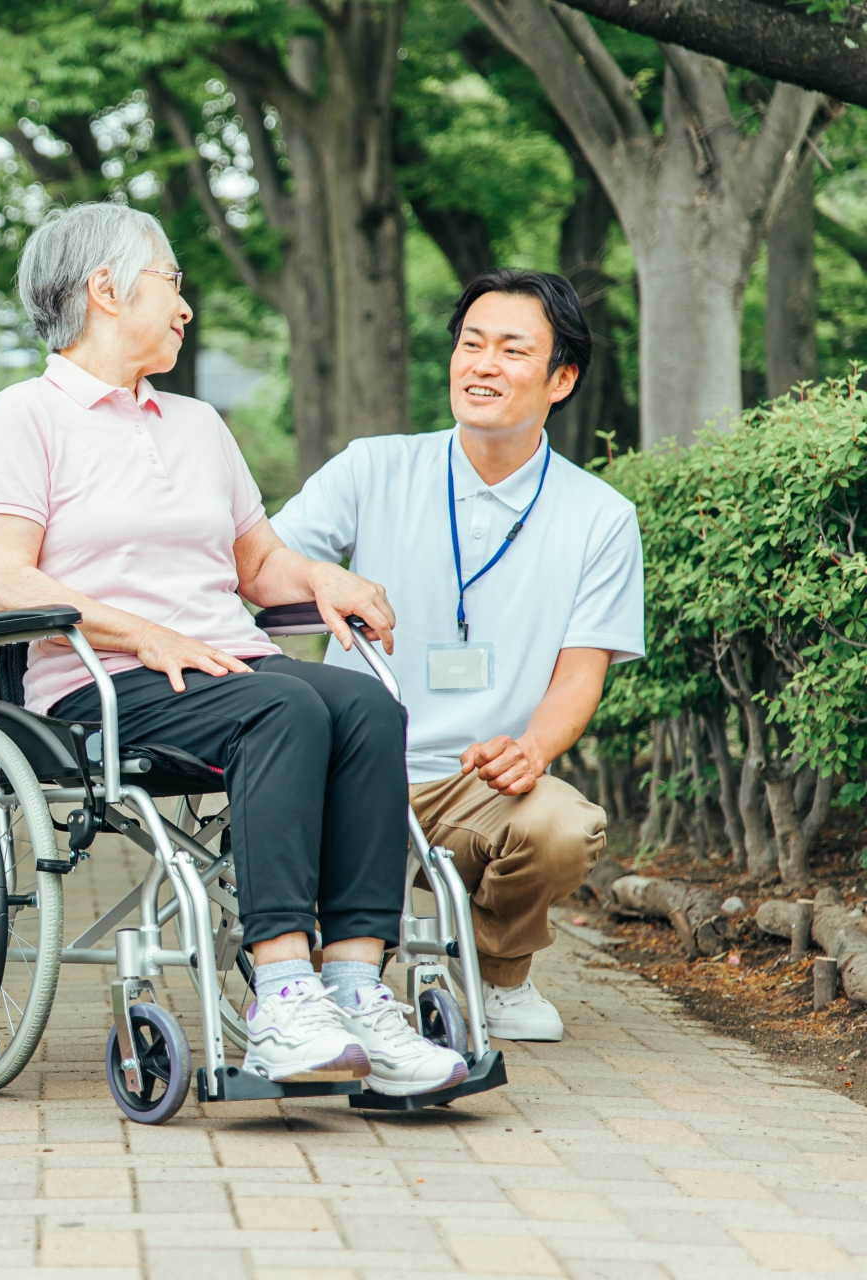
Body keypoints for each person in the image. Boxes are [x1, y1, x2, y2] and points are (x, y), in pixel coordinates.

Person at [0, 202, 466, 1096]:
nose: (185, 306)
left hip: (222, 666)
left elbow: (255, 563)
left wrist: (322, 579)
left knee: (364, 705)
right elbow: (5, 579)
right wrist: (144, 633)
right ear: (106, 290)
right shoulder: (25, 415)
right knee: (289, 704)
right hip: (103, 681)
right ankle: (281, 995)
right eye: (172, 281)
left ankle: (354, 987)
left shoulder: (195, 424)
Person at [272, 268, 644, 1042]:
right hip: (350, 764)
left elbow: (582, 672)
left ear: (561, 378)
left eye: (512, 350)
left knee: (563, 828)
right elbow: (261, 565)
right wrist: (322, 574)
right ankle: (312, 986)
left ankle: (496, 971)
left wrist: (533, 749)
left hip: (477, 780)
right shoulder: (372, 469)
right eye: (471, 344)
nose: (482, 364)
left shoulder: (600, 517)